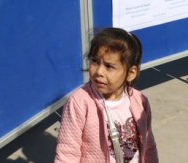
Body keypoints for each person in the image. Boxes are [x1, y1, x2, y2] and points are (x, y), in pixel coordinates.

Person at [55, 27, 159, 163]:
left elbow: (148, 146)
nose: (99, 71)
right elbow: (67, 154)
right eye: (95, 61)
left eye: (109, 66)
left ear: (130, 73)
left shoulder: (140, 101)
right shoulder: (79, 102)